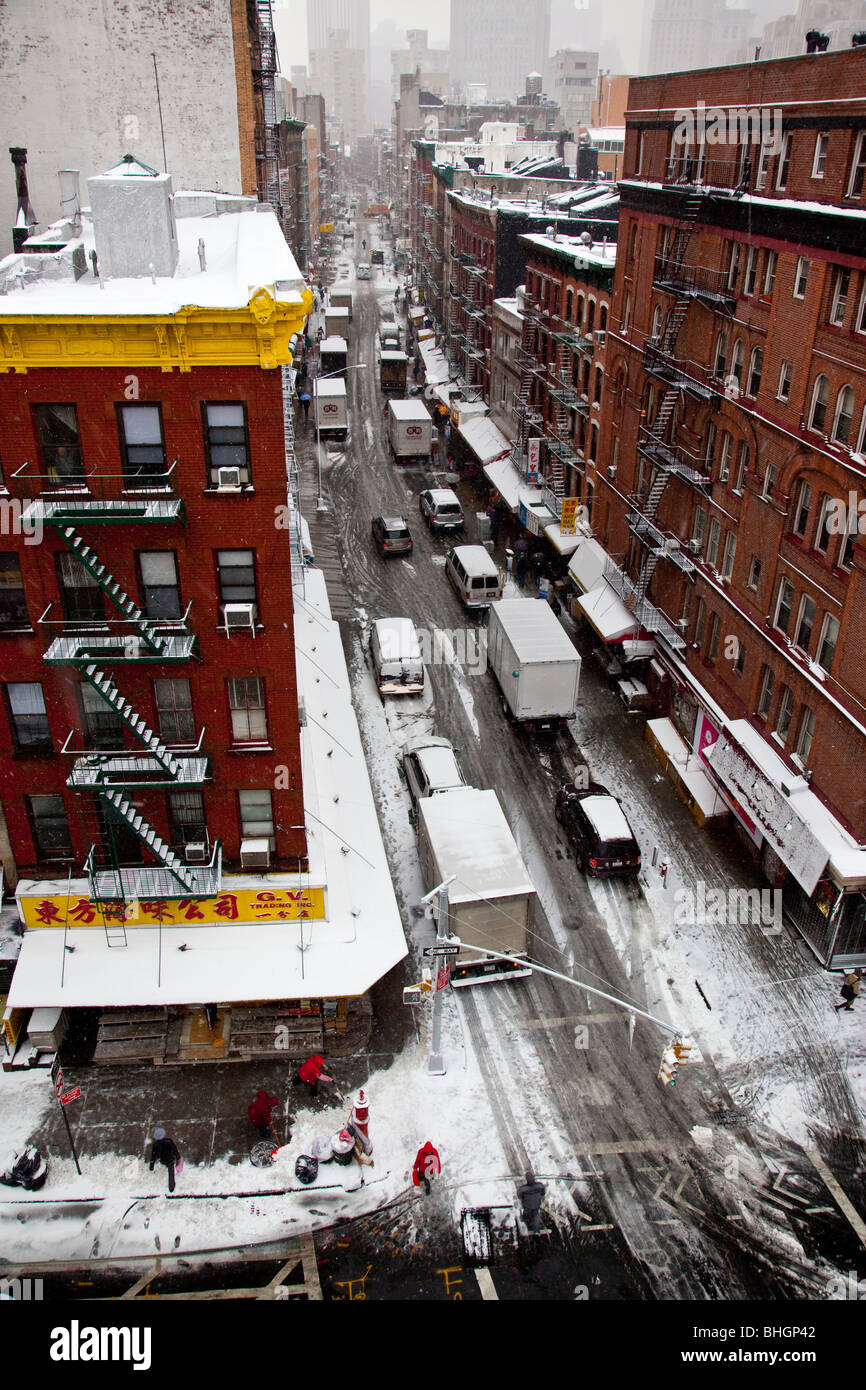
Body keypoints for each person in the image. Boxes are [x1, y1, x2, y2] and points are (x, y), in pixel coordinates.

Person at [149, 1127, 181, 1193]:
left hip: (162, 1160)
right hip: (170, 1160)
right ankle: (171, 1187)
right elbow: (175, 1150)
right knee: (171, 1174)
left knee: (163, 1172)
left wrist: (151, 1166)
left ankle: (158, 1188)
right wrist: (178, 1158)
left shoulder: (156, 1145)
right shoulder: (169, 1141)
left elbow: (153, 1156)